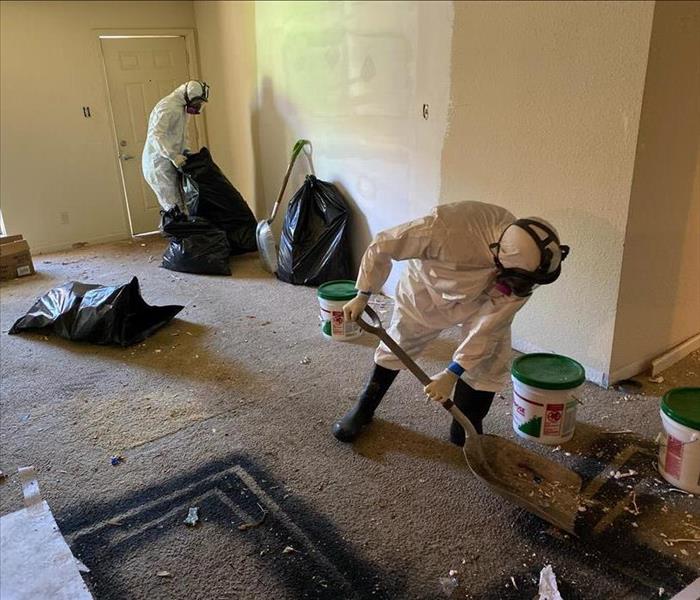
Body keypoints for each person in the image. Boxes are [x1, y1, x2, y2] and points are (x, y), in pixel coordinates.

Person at [332, 201, 569, 445]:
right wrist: (363, 294)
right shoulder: (446, 229)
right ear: (500, 254)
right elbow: (383, 243)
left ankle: (466, 428)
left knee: (490, 357)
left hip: (482, 298)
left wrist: (452, 372)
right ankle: (365, 406)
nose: (525, 288)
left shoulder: (523, 270)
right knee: (401, 342)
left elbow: (488, 327)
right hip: (428, 292)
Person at [142, 80, 210, 213]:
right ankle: (177, 233)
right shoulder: (167, 108)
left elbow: (181, 136)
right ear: (190, 97)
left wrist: (186, 153)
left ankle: (185, 232)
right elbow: (156, 135)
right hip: (159, 165)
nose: (197, 106)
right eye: (197, 102)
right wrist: (172, 155)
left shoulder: (181, 109)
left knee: (181, 205)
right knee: (174, 208)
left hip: (170, 162)